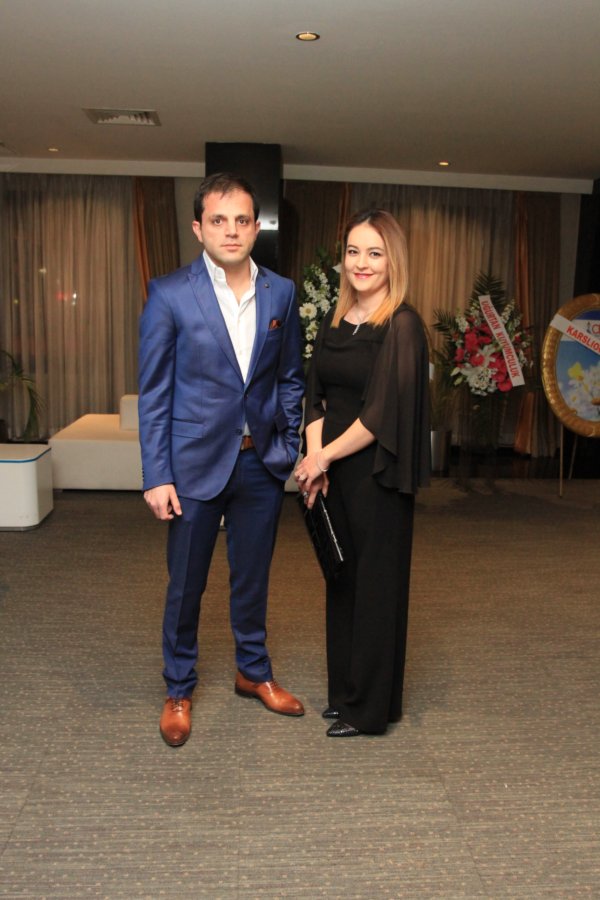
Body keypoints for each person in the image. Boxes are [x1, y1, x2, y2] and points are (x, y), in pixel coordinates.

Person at [139, 172, 305, 747]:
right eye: (218, 220)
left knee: (253, 578)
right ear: (198, 228)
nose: (230, 231)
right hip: (191, 467)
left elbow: (290, 376)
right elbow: (155, 394)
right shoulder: (168, 294)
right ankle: (178, 687)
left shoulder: (281, 293)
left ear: (255, 227)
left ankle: (252, 672)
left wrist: (285, 443)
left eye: (241, 220)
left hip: (260, 464)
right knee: (186, 585)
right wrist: (157, 474)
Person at [294, 208, 430, 737]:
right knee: (342, 578)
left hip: (375, 474)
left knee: (375, 587)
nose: (362, 263)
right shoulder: (337, 319)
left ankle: (369, 709)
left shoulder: (402, 325)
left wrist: (322, 458)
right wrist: (315, 458)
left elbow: (380, 414)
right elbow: (316, 394)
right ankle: (346, 693)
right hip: (332, 473)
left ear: (392, 260)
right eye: (353, 251)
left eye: (375, 253)